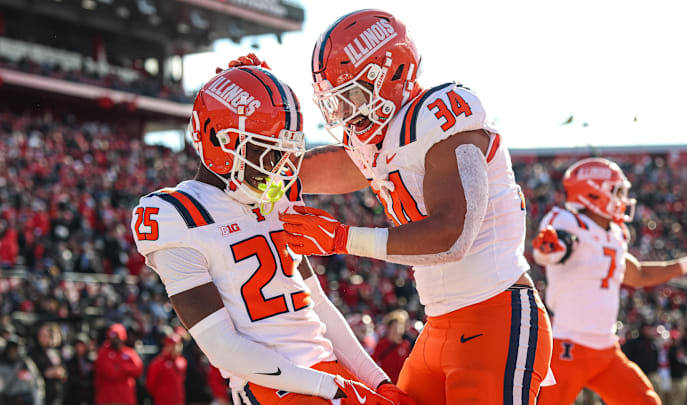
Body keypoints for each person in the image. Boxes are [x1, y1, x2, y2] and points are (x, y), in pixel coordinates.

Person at [278, 9, 553, 404]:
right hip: (437, 326)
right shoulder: (379, 142)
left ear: (389, 75)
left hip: (495, 314)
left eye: (352, 94)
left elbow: (452, 236)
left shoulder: (439, 115)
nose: (345, 111)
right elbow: (325, 168)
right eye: (337, 100)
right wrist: (256, 143)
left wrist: (341, 238)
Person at [130, 59, 415, 405]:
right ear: (220, 141)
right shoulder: (175, 214)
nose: (279, 167)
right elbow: (222, 348)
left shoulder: (278, 198)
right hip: (273, 385)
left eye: (284, 153)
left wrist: (378, 381)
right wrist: (331, 387)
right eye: (267, 152)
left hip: (327, 372)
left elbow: (319, 307)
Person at [531, 157, 687, 405]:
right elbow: (551, 249)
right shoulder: (566, 221)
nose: (622, 199)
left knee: (645, 401)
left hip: (606, 349)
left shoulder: (613, 234)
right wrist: (550, 247)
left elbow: (638, 275)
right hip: (568, 347)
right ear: (592, 194)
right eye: (615, 191)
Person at [94, 323, 143, 405]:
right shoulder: (103, 352)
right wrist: (125, 371)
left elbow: (138, 369)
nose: (115, 340)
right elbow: (110, 372)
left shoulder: (129, 352)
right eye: (113, 337)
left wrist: (121, 367)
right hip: (108, 398)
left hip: (125, 397)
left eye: (117, 337)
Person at [0, 335, 45, 405]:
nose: (13, 352)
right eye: (10, 349)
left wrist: (38, 402)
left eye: (15, 349)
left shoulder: (26, 364)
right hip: (5, 400)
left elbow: (36, 385)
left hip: (23, 400)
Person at [146, 333, 186, 405]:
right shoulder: (158, 363)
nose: (176, 348)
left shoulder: (182, 361)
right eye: (173, 345)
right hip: (164, 401)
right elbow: (151, 385)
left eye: (178, 345)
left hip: (178, 400)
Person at [372, 310, 412, 384]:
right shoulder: (382, 344)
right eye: (394, 327)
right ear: (388, 328)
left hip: (400, 383)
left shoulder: (405, 345)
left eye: (399, 328)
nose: (396, 330)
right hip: (386, 383)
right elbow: (373, 362)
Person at [63, 333, 94, 405]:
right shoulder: (70, 362)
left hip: (89, 395)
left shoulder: (92, 360)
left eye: (82, 345)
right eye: (77, 345)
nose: (79, 348)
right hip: (75, 396)